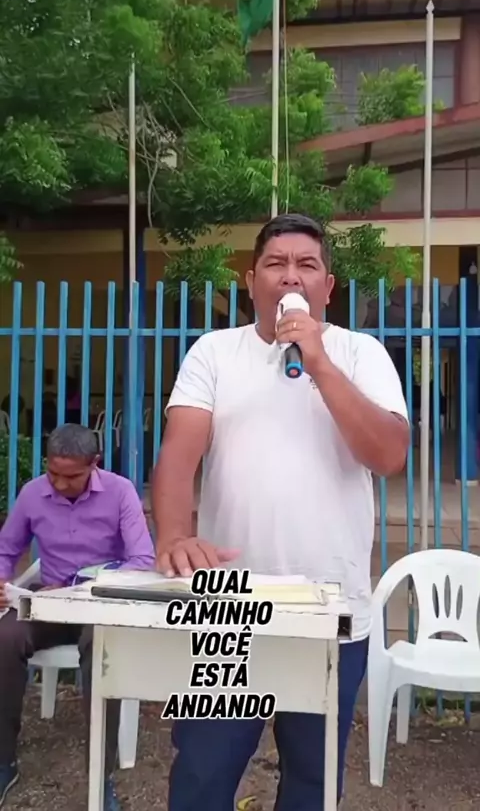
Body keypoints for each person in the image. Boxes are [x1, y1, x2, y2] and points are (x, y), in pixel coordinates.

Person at [153, 213, 410, 811]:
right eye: (275, 263)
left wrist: (319, 363)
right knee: (203, 773)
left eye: (306, 265)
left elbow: (388, 454)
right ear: (251, 282)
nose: (290, 275)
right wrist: (174, 535)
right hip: (227, 608)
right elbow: (178, 457)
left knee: (312, 781)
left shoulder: (360, 353)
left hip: (330, 606)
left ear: (328, 286)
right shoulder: (215, 353)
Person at [0, 423, 155, 811]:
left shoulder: (120, 492)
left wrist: (78, 585)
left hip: (98, 603)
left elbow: (141, 560)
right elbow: (6, 549)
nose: (59, 483)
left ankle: (100, 775)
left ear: (94, 464)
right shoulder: (33, 494)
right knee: (4, 638)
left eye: (70, 477)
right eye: (53, 472)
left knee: (101, 647)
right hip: (48, 603)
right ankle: (3, 762)